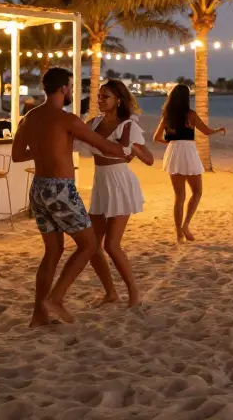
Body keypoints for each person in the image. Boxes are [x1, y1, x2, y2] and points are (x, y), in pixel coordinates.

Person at [11, 67, 128, 327]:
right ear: (64, 88)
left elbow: (17, 156)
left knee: (52, 251)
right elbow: (104, 145)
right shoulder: (68, 119)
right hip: (61, 189)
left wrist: (47, 150)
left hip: (39, 189)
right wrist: (130, 150)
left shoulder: (28, 118)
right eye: (71, 86)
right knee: (88, 246)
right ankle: (57, 298)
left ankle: (38, 315)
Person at [83, 79, 152, 308]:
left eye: (106, 97)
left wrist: (132, 150)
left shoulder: (127, 126)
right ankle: (111, 292)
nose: (100, 100)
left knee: (112, 245)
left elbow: (146, 158)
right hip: (100, 182)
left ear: (118, 100)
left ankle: (134, 291)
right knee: (91, 246)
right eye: (99, 96)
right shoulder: (93, 123)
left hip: (120, 183)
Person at [153, 83, 225, 243]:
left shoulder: (167, 116)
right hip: (188, 152)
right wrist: (218, 130)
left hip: (174, 152)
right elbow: (206, 131)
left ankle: (179, 233)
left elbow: (156, 138)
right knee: (197, 192)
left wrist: (170, 143)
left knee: (179, 196)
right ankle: (185, 225)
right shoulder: (190, 114)